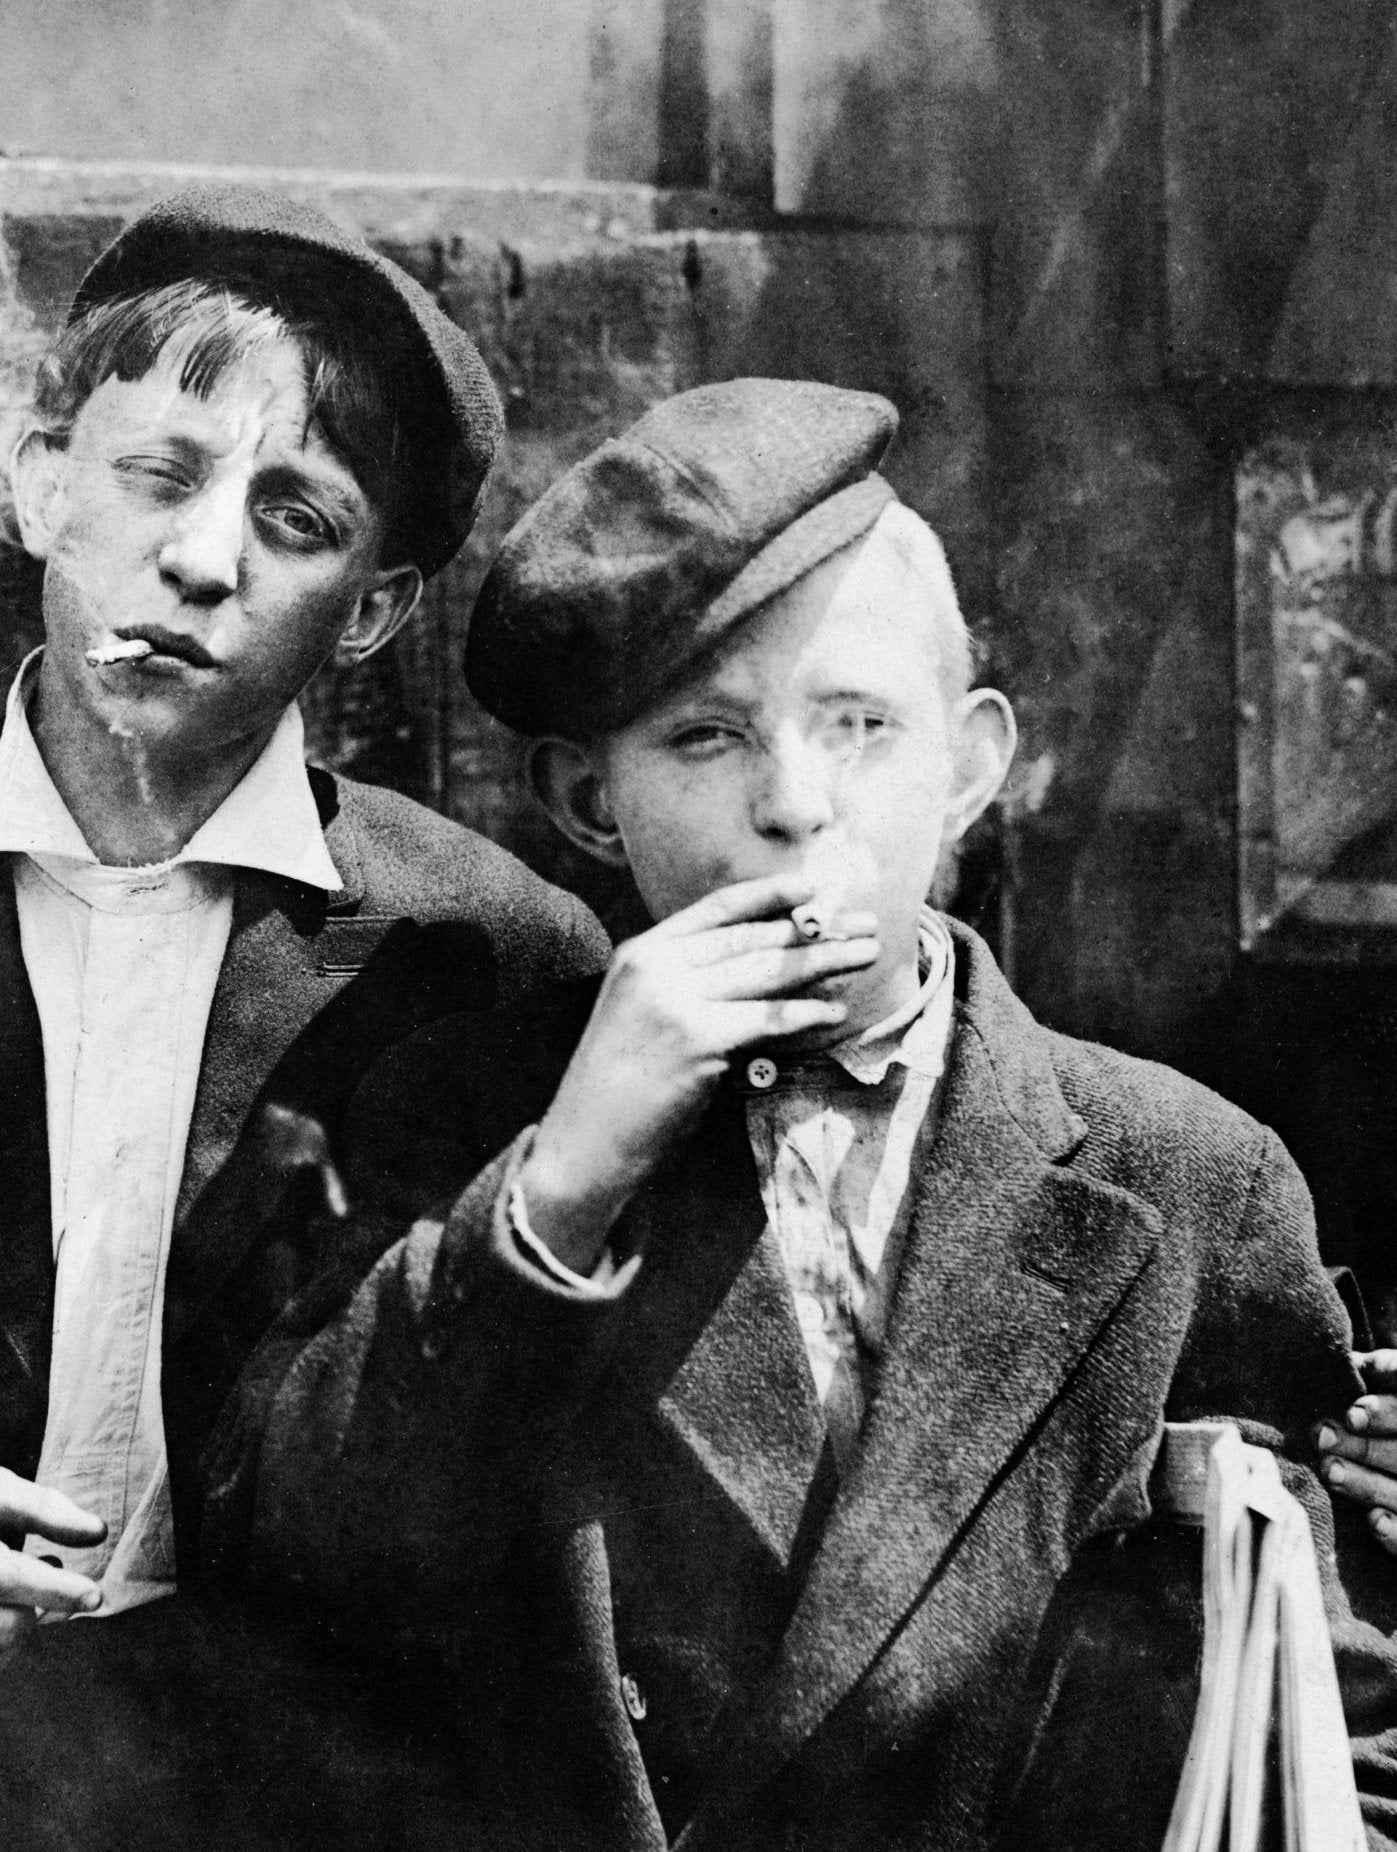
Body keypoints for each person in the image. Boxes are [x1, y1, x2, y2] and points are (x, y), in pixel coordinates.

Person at [212, 378, 1397, 1849]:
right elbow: (291, 1563)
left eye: (857, 724)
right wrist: (560, 1190)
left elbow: (1331, 1734)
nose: (792, 803)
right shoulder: (461, 1117)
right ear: (587, 802)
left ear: (969, 765)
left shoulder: (1184, 1175)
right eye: (704, 739)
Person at [0, 185, 607, 1848]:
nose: (203, 556)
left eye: (297, 521)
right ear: (38, 487)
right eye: (156, 476)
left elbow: (522, 1485)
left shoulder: (493, 972)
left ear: (370, 610)